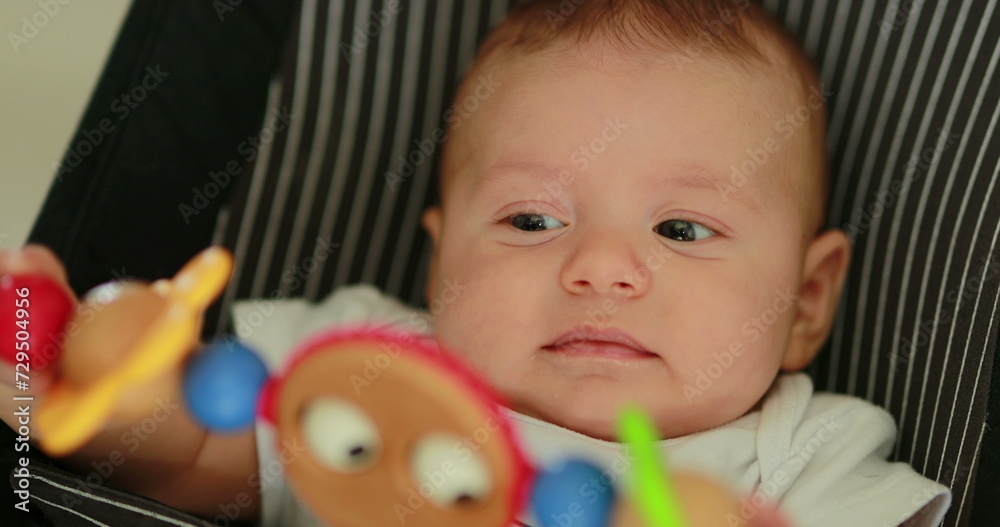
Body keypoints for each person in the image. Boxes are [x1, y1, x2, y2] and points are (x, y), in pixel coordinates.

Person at [0, 1, 951, 526]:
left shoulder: (800, 455)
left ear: (806, 301)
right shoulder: (368, 360)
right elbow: (203, 467)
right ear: (440, 262)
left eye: (683, 229)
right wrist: (110, 399)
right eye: (531, 218)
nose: (600, 267)